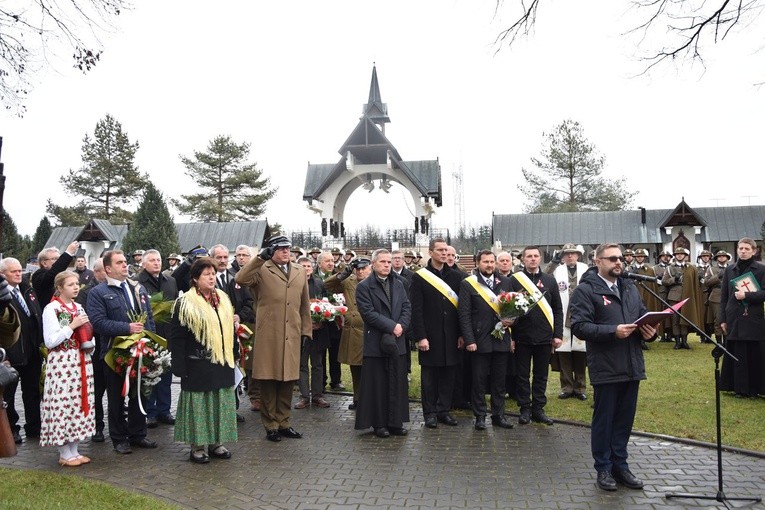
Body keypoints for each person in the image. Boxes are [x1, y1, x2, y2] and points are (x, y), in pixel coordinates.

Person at [570, 243, 656, 492]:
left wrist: (649, 333)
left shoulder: (629, 287)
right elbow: (580, 327)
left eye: (621, 258)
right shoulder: (586, 291)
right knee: (605, 419)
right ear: (598, 261)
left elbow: (641, 316)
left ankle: (621, 465)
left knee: (624, 420)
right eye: (612, 259)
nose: (619, 262)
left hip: (632, 364)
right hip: (606, 365)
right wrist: (612, 331)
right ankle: (604, 468)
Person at [235, 234, 312, 443]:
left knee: (288, 380)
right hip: (269, 334)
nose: (286, 252)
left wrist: (306, 331)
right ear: (271, 250)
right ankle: (270, 426)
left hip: (292, 334)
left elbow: (304, 304)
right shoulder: (261, 269)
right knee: (269, 380)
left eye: (288, 248)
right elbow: (240, 279)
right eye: (280, 248)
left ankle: (284, 422)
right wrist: (259, 258)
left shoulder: (298, 271)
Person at [87, 250, 158, 454]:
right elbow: (98, 323)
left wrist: (150, 343)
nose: (125, 265)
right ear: (108, 268)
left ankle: (138, 434)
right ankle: (119, 438)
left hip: (140, 350)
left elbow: (149, 318)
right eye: (119, 263)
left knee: (139, 394)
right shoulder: (98, 292)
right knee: (116, 398)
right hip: (113, 354)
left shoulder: (138, 288)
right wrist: (127, 328)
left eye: (125, 262)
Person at [170, 257, 238, 463]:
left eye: (213, 274)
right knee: (200, 405)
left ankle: (216, 442)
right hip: (197, 363)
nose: (211, 278)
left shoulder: (223, 299)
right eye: (206, 274)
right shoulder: (185, 303)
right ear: (195, 279)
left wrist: (233, 353)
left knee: (220, 401)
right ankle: (198, 446)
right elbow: (177, 337)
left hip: (221, 361)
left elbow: (228, 329)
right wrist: (179, 365)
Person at [40, 271, 96, 467]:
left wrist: (90, 341)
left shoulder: (79, 307)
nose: (75, 287)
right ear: (60, 288)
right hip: (62, 362)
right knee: (63, 403)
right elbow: (50, 340)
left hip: (81, 360)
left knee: (79, 403)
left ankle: (75, 449)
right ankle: (64, 452)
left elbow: (88, 330)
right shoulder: (52, 309)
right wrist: (72, 326)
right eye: (70, 284)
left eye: (77, 283)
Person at [355, 249, 412, 438]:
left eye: (389, 262)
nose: (387, 265)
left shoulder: (399, 283)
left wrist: (401, 326)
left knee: (397, 383)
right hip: (376, 342)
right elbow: (368, 313)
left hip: (397, 341)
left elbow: (406, 307)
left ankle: (395, 421)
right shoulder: (364, 287)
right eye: (383, 262)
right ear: (373, 264)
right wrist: (391, 326)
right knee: (378, 385)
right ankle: (379, 423)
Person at [457, 250, 515, 431]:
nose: (489, 265)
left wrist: (512, 320)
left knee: (499, 381)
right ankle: (480, 416)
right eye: (485, 262)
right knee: (479, 380)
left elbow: (514, 307)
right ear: (477, 263)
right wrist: (469, 339)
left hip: (501, 339)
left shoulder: (505, 281)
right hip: (479, 339)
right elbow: (464, 314)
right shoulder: (468, 284)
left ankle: (499, 415)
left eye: (492, 262)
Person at [410, 238, 464, 428]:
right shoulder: (419, 277)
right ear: (431, 252)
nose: (444, 253)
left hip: (451, 336)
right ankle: (430, 413)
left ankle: (444, 411)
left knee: (449, 375)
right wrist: (421, 336)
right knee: (430, 378)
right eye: (440, 250)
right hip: (430, 336)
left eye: (446, 250)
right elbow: (416, 310)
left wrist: (461, 334)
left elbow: (462, 310)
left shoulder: (457, 277)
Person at [509, 246, 563, 426]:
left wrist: (558, 335)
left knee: (541, 375)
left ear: (540, 259)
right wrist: (511, 337)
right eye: (529, 256)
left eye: (535, 256)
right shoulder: (514, 280)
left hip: (544, 337)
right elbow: (507, 310)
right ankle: (524, 408)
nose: (532, 259)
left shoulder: (549, 280)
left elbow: (557, 309)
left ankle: (538, 408)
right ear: (523, 259)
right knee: (522, 375)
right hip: (522, 337)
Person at [0, 257, 44, 445]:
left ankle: (34, 426)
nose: (19, 274)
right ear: (3, 275)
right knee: (9, 395)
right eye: (14, 271)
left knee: (33, 391)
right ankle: (12, 429)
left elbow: (36, 317)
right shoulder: (2, 297)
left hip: (32, 352)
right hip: (11, 354)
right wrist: (4, 355)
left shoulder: (26, 290)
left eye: (20, 270)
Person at [136, 249, 179, 428]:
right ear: (143, 264)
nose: (157, 263)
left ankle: (164, 410)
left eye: (159, 260)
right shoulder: (137, 283)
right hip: (148, 335)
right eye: (152, 260)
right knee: (150, 375)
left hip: (167, 334)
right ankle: (150, 412)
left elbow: (175, 304)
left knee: (166, 375)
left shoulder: (170, 281)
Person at [720, 238, 765, 398]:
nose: (743, 251)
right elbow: (724, 296)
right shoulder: (730, 269)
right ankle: (738, 388)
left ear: (754, 251)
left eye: (747, 249)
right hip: (734, 317)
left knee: (753, 354)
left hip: (752, 317)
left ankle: (753, 389)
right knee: (737, 353)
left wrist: (747, 295)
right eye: (740, 248)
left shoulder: (761, 270)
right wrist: (722, 319)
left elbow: (763, 293)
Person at [325, 257, 372, 410]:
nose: (360, 271)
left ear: (370, 268)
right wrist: (343, 273)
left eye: (363, 268)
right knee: (355, 366)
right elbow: (328, 285)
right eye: (357, 268)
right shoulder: (349, 280)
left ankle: (370, 398)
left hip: (370, 327)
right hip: (353, 328)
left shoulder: (376, 281)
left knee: (370, 366)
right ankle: (357, 397)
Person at [550, 243, 589, 401]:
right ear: (563, 256)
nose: (570, 256)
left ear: (578, 255)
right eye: (566, 254)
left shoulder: (585, 269)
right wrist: (553, 263)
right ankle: (566, 386)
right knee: (564, 352)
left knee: (580, 352)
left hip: (581, 314)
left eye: (573, 254)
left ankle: (580, 387)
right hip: (563, 313)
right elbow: (543, 279)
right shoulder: (557, 271)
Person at [77, 258, 108, 442]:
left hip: (109, 346)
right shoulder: (86, 293)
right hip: (94, 348)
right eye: (106, 269)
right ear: (97, 272)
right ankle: (97, 426)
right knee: (96, 392)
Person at [294, 257, 330, 409]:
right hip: (300, 331)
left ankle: (317, 395)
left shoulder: (319, 283)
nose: (307, 268)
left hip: (318, 331)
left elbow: (327, 303)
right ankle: (303, 396)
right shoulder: (293, 283)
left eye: (309, 266)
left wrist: (321, 318)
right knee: (302, 364)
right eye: (303, 266)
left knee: (318, 364)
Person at [661, 247, 703, 350]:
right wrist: (674, 279)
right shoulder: (670, 268)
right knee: (675, 320)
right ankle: (677, 342)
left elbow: (695, 283)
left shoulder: (691, 268)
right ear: (674, 256)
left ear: (685, 256)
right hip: (674, 296)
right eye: (677, 254)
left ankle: (685, 341)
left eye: (681, 254)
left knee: (684, 319)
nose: (679, 255)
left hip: (687, 296)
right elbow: (664, 281)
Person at [315, 251, 344, 391]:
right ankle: (321, 382)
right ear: (319, 263)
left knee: (335, 352)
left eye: (332, 260)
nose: (331, 263)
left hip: (335, 322)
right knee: (320, 353)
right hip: (319, 321)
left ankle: (336, 380)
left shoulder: (338, 277)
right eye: (327, 261)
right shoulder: (313, 277)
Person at [629, 249, 660, 350]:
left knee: (645, 318)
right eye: (638, 256)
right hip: (634, 297)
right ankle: (638, 340)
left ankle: (644, 340)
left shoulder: (649, 269)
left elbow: (653, 286)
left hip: (647, 296)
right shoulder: (630, 269)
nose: (640, 258)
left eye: (641, 256)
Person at [32, 242, 79, 306]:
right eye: (55, 259)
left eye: (59, 258)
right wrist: (68, 252)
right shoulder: (39, 275)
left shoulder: (59, 276)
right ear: (44, 263)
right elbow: (52, 274)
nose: (58, 261)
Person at [703, 250, 730, 345]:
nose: (722, 258)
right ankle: (719, 343)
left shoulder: (732, 268)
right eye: (719, 256)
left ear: (727, 258)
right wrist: (717, 276)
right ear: (716, 258)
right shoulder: (711, 269)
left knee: (729, 320)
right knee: (718, 320)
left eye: (724, 256)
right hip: (716, 296)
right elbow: (706, 282)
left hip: (730, 296)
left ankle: (727, 343)